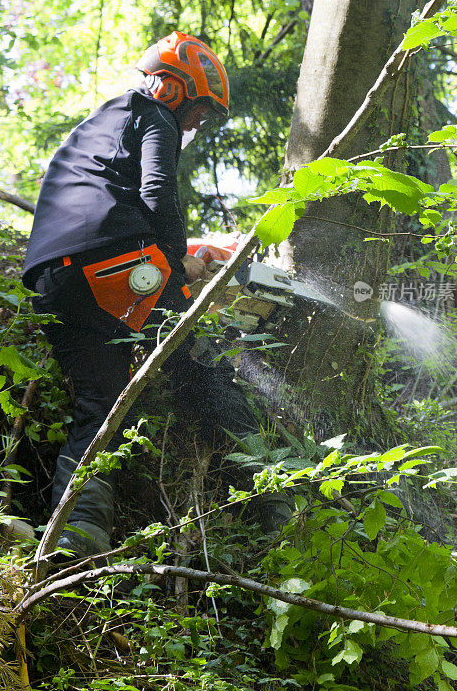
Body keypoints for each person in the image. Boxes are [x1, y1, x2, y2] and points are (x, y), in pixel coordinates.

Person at [22, 32, 285, 559]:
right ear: (175, 89)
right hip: (116, 261)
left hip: (56, 278)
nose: (197, 124)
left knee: (99, 407)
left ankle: (75, 538)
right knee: (203, 364)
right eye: (199, 111)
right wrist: (182, 265)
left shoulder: (99, 124)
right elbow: (158, 191)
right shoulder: (153, 115)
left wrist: (174, 260)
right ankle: (276, 505)